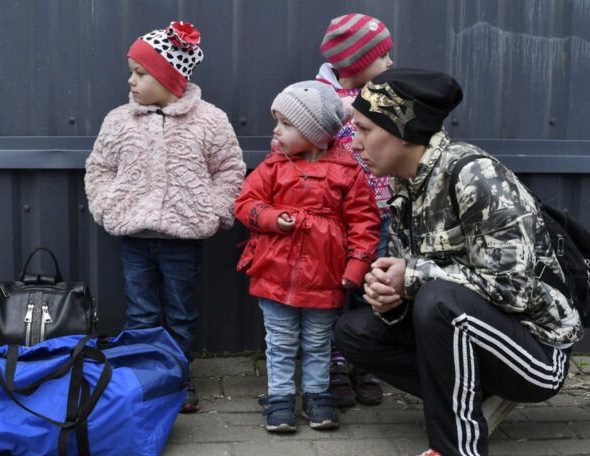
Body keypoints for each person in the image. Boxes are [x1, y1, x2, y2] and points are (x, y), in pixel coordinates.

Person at [334, 68, 583, 456]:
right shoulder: (407, 185)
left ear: (403, 131)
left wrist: (411, 278)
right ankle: (463, 393)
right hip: (473, 339)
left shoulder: (475, 175)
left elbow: (514, 289)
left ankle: (456, 449)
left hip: (536, 353)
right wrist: (390, 300)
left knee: (438, 299)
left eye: (365, 129)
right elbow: (414, 291)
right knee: (353, 331)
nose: (354, 143)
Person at [84, 21, 246, 413]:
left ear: (169, 76)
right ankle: (144, 379)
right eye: (131, 72)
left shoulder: (209, 120)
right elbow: (99, 168)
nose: (131, 81)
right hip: (134, 237)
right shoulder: (119, 120)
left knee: (181, 313)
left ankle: (176, 377)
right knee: (141, 312)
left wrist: (215, 210)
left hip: (183, 239)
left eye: (140, 73)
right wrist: (106, 204)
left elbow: (229, 170)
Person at [234, 80, 380, 432]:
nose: (276, 130)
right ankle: (280, 397)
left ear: (314, 133)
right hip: (275, 272)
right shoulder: (273, 167)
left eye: (286, 124)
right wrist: (271, 218)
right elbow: (245, 204)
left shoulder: (347, 172)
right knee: (280, 340)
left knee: (318, 341)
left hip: (325, 276)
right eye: (277, 122)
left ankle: (317, 395)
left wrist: (356, 266)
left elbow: (364, 221)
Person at [316, 12, 394, 408]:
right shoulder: (318, 97)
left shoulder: (387, 94)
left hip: (379, 213)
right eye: (383, 56)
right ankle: (331, 363)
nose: (391, 63)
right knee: (331, 292)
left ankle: (365, 362)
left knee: (370, 290)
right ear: (357, 61)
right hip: (332, 216)